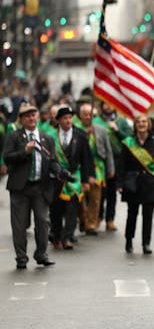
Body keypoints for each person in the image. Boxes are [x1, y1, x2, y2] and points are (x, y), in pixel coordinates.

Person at [4, 103, 61, 269]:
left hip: (40, 187)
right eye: (27, 115)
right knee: (19, 225)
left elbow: (53, 160)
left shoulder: (46, 138)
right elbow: (7, 158)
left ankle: (42, 254)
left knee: (43, 222)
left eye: (33, 114)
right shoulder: (14, 137)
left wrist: (58, 171)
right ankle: (21, 257)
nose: (31, 117)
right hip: (20, 188)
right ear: (21, 119)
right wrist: (25, 152)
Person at [49, 106, 95, 250]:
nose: (68, 121)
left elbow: (87, 158)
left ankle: (68, 237)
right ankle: (56, 235)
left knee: (72, 209)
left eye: (70, 118)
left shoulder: (80, 135)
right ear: (58, 121)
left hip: (74, 177)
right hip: (56, 178)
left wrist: (86, 180)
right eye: (65, 118)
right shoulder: (51, 136)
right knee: (56, 210)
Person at [120, 114, 154, 254]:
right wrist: (120, 183)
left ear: (148, 124)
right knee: (131, 214)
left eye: (144, 121)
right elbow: (121, 164)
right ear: (135, 125)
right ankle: (129, 241)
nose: (141, 124)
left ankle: (146, 243)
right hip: (132, 183)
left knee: (148, 215)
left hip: (149, 183)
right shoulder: (128, 142)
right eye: (139, 122)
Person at [94, 101, 132, 232]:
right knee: (100, 191)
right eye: (105, 104)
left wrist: (117, 130)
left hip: (116, 160)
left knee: (111, 191)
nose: (108, 107)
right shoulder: (96, 121)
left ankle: (110, 219)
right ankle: (98, 217)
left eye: (110, 104)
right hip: (100, 160)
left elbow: (130, 138)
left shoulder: (121, 121)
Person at [78, 103, 115, 235]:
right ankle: (83, 219)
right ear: (80, 116)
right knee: (80, 198)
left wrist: (110, 168)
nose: (88, 117)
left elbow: (108, 151)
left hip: (98, 167)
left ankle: (91, 224)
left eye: (90, 115)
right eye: (85, 114)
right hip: (80, 168)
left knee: (95, 198)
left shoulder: (100, 129)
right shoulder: (76, 129)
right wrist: (84, 134)